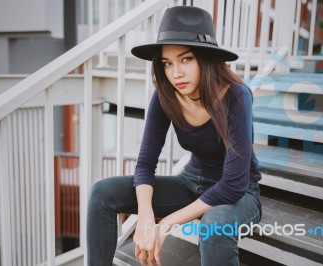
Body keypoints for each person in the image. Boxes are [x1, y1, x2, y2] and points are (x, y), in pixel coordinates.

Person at [87, 5, 262, 266]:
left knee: (214, 225)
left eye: (186, 59)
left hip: (239, 192)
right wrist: (146, 217)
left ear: (206, 58)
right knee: (103, 192)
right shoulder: (165, 95)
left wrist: (166, 222)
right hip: (191, 182)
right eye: (167, 63)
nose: (175, 73)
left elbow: (234, 184)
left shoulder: (237, 95)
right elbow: (145, 164)